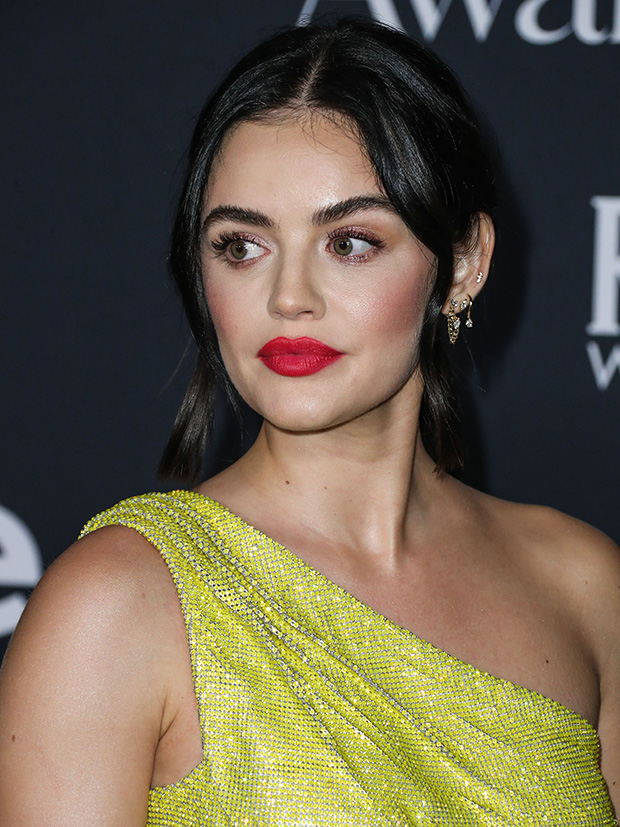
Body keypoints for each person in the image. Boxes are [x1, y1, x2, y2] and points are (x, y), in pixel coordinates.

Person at [0, 18, 618, 826]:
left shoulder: (583, 585)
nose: (289, 296)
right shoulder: (115, 606)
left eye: (350, 242)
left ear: (462, 263)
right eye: (241, 246)